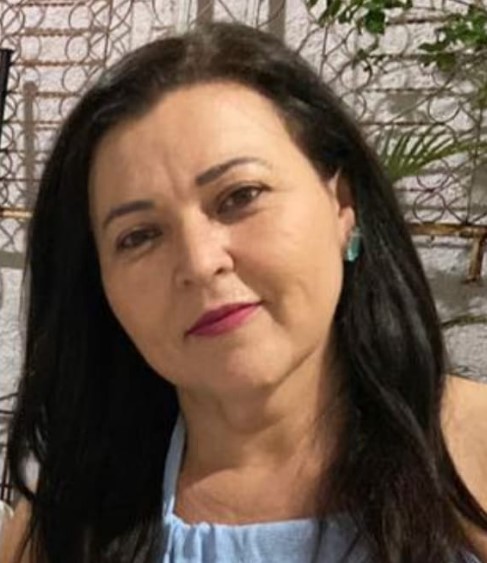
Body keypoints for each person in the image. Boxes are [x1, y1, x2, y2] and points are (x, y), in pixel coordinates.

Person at [0, 20, 486, 563]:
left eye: (240, 196)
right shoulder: (68, 523)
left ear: (342, 204)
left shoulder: (471, 454)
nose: (200, 262)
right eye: (139, 236)